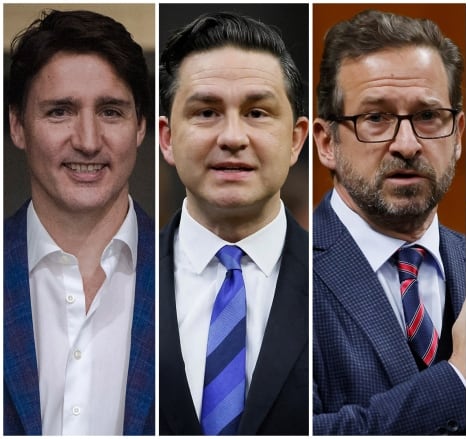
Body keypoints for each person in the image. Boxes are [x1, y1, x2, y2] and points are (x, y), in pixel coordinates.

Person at [311, 9, 466, 435]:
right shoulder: (280, 271)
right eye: (376, 118)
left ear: (457, 136)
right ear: (326, 143)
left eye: (428, 116)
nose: (406, 144)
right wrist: (456, 379)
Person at [3, 9, 154, 435]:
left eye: (110, 112)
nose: (88, 142)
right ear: (17, 125)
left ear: (140, 125)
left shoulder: (194, 275)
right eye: (59, 112)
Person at [157, 12, 309, 435]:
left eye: (257, 112)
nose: (232, 137)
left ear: (296, 139)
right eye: (206, 112)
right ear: (167, 138)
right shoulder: (118, 277)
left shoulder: (342, 279)